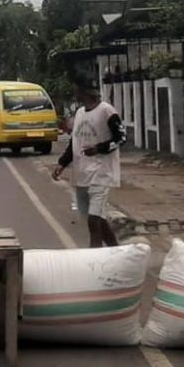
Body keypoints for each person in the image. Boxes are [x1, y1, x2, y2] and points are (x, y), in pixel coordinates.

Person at [52, 77, 126, 248]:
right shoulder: (80, 113)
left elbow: (121, 138)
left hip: (101, 173)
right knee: (96, 218)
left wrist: (99, 148)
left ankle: (95, 257)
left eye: (76, 89)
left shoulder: (106, 111)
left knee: (94, 220)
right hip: (82, 174)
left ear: (84, 91)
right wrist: (62, 164)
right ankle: (115, 250)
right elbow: (74, 142)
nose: (74, 92)